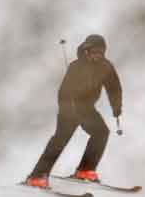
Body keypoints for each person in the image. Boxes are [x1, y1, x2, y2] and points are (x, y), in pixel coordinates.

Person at [25, 34, 123, 188]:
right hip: (69, 108)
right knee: (59, 140)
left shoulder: (106, 67)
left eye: (100, 52)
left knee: (101, 132)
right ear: (86, 50)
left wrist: (116, 108)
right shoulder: (76, 66)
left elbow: (114, 88)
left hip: (87, 109)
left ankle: (85, 170)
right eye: (94, 51)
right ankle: (37, 177)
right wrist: (67, 110)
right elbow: (63, 92)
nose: (97, 55)